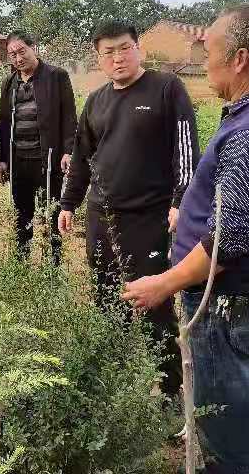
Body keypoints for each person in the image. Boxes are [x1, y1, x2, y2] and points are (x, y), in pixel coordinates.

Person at [122, 4, 249, 473]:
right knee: (225, 416)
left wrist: (163, 283)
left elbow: (228, 243)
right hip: (236, 302)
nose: (201, 59)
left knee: (224, 438)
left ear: (240, 59)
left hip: (227, 304)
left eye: (207, 50)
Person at [58, 20, 199, 397]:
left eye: (124, 48)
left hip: (148, 218)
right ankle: (113, 386)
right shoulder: (96, 101)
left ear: (139, 48)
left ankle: (171, 391)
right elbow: (83, 158)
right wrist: (68, 202)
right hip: (101, 216)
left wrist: (180, 200)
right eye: (109, 52)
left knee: (153, 304)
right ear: (99, 57)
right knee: (106, 299)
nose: (118, 58)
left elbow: (185, 149)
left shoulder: (166, 89)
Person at [0, 31, 77, 265]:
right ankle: (21, 261)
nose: (18, 58)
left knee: (52, 211)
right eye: (12, 54)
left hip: (47, 159)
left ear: (34, 48)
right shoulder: (9, 82)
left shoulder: (56, 76)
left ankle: (54, 264)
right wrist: (1, 158)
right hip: (18, 159)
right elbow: (3, 122)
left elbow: (69, 117)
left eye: (22, 51)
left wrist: (68, 151)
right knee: (22, 213)